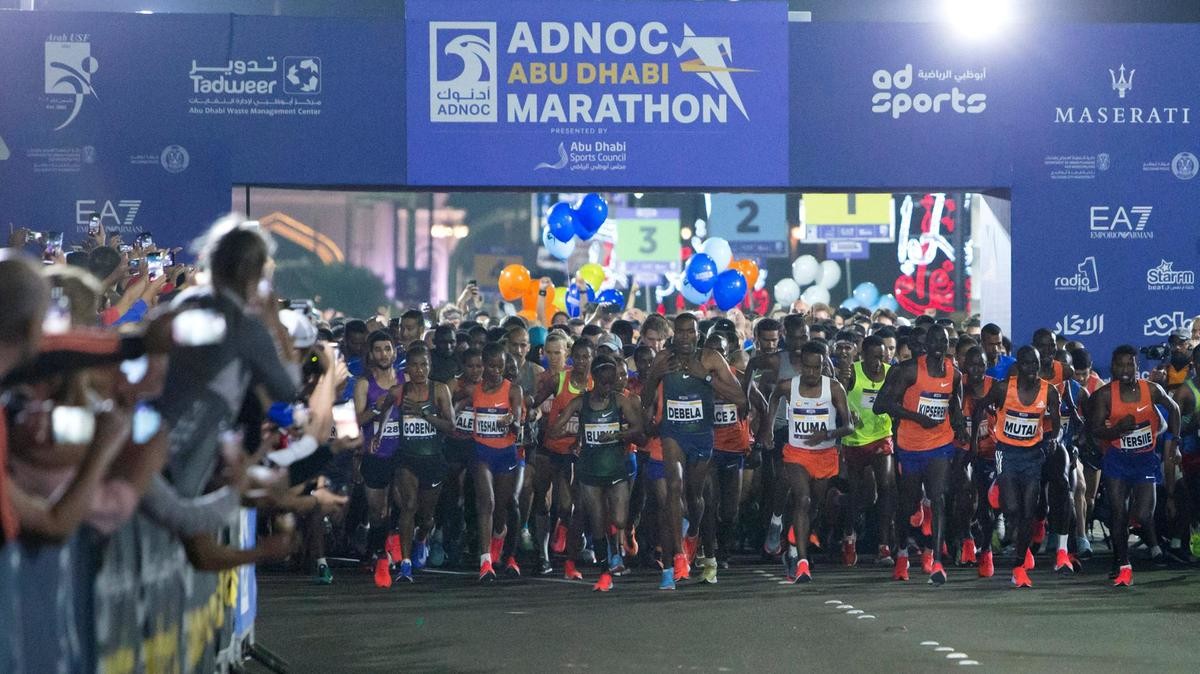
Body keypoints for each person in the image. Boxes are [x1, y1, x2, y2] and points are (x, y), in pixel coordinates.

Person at [641, 313, 745, 590]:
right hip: (672, 434)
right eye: (680, 332)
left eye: (691, 332)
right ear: (673, 334)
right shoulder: (664, 358)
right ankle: (678, 556)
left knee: (695, 497)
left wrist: (706, 377)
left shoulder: (711, 359)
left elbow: (739, 397)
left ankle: (693, 533)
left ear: (698, 334)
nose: (685, 337)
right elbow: (645, 399)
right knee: (674, 487)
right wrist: (656, 375)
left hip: (701, 437)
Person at [875, 325, 966, 585]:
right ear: (926, 344)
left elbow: (955, 403)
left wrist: (959, 423)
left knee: (938, 497)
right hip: (911, 446)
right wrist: (916, 417)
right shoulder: (909, 370)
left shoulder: (954, 373)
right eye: (934, 341)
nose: (939, 346)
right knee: (908, 504)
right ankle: (902, 553)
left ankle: (936, 561)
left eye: (943, 341)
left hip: (940, 443)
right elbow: (881, 404)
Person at [548, 354, 645, 591]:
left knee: (619, 519)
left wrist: (619, 435)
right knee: (598, 522)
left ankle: (614, 552)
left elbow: (638, 428)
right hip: (589, 470)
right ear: (594, 379)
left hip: (615, 468)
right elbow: (554, 429)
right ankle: (604, 573)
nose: (608, 387)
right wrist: (574, 433)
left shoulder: (620, 401)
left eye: (612, 382)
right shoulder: (580, 403)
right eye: (604, 383)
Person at [1088, 345, 1180, 587]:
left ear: (1138, 366)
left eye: (1130, 364)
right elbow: (1095, 429)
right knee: (1118, 512)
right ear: (1112, 367)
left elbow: (1174, 409)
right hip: (1117, 459)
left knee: (1142, 514)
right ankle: (1123, 563)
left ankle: (1122, 548)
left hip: (1145, 460)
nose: (1125, 369)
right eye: (1120, 365)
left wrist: (1174, 442)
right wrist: (1117, 430)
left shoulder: (1152, 390)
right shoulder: (1105, 395)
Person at [970, 346, 1060, 588]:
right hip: (1006, 453)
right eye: (1027, 364)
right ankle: (998, 487)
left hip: (1032, 455)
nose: (1032, 369)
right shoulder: (1003, 389)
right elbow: (979, 407)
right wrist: (974, 442)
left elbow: (1057, 424)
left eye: (1035, 364)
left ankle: (1019, 567)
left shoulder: (1049, 391)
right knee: (1011, 508)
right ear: (1018, 366)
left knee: (1028, 512)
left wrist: (1053, 439)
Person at [765, 341, 853, 583]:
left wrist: (827, 434)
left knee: (813, 507)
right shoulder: (788, 386)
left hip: (824, 455)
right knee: (802, 499)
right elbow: (774, 398)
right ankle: (802, 562)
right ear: (801, 365)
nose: (812, 373)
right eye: (807, 367)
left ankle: (793, 547)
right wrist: (768, 428)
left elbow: (849, 426)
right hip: (796, 454)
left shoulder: (833, 388)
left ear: (824, 366)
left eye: (817, 367)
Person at [392, 343, 455, 583]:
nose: (419, 370)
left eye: (424, 365)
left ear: (430, 366)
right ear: (407, 368)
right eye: (415, 365)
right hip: (407, 458)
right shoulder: (399, 391)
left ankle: (422, 538)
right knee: (409, 505)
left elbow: (451, 426)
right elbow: (382, 413)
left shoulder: (439, 390)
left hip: (433, 459)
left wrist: (423, 414)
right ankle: (405, 564)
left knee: (427, 517)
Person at [532, 338, 592, 578]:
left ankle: (569, 539)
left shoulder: (595, 384)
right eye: (577, 357)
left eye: (586, 357)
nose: (581, 362)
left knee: (568, 505)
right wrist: (527, 410)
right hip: (551, 449)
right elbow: (535, 402)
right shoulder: (559, 380)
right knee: (542, 500)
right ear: (571, 357)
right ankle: (543, 554)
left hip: (578, 453)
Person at [841, 334, 896, 566]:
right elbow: (837, 397)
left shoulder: (891, 372)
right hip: (855, 439)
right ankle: (849, 536)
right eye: (873, 357)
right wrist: (847, 413)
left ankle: (884, 546)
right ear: (863, 356)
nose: (878, 363)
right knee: (856, 493)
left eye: (882, 357)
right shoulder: (852, 372)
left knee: (886, 486)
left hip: (881, 436)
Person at [472, 342, 525, 582]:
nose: (496, 371)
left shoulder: (513, 390)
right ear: (483, 365)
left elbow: (518, 422)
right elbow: (454, 402)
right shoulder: (475, 390)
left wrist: (511, 421)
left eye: (500, 367)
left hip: (506, 454)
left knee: (502, 508)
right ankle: (485, 562)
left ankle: (499, 540)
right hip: (481, 452)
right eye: (491, 366)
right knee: (487, 502)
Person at [353, 330, 402, 588]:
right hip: (375, 454)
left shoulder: (405, 379)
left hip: (401, 454)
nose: (383, 354)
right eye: (378, 349)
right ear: (371, 354)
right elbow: (356, 421)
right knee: (377, 511)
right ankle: (374, 549)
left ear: (394, 352)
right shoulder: (364, 383)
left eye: (387, 348)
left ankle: (386, 554)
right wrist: (377, 407)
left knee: (401, 503)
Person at [959, 346, 998, 577]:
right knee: (964, 490)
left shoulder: (996, 387)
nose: (977, 370)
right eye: (972, 365)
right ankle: (966, 538)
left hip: (990, 451)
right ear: (965, 366)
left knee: (986, 503)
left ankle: (987, 550)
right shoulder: (958, 385)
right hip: (962, 449)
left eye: (981, 365)